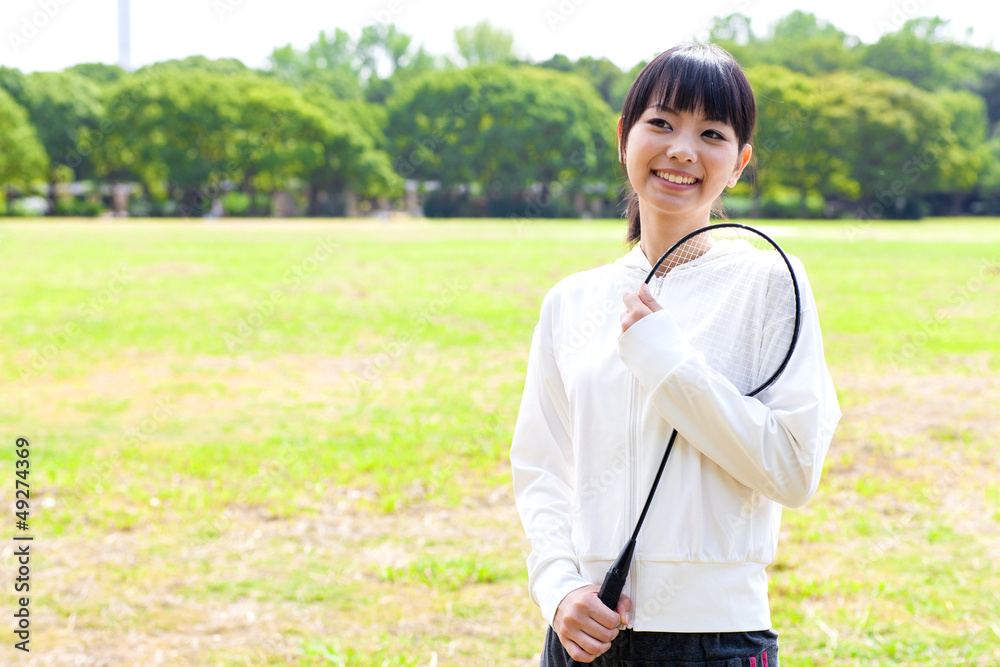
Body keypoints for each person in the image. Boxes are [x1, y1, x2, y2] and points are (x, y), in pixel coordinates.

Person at [509, 42, 841, 666]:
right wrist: (558, 587)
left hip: (714, 642)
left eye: (711, 133)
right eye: (660, 123)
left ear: (739, 163)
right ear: (623, 138)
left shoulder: (772, 282)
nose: (682, 149)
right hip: (584, 637)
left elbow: (793, 471)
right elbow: (541, 466)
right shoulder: (570, 301)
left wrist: (667, 360)